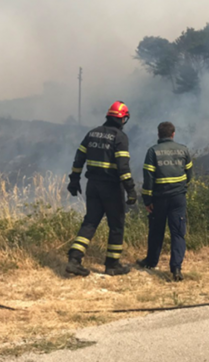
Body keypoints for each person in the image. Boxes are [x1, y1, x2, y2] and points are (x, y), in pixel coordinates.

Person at [65, 101, 137, 277]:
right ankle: (112, 264)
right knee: (116, 225)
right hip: (111, 188)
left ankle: (74, 260)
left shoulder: (92, 133)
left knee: (90, 222)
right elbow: (123, 166)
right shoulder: (120, 137)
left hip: (93, 186)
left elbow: (79, 157)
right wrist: (131, 189)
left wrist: (74, 180)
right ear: (123, 119)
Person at [137, 122, 193, 282]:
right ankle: (176, 268)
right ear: (173, 134)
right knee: (178, 232)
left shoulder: (152, 151)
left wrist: (147, 199)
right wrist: (182, 188)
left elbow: (148, 178)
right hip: (178, 198)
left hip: (159, 198)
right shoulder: (183, 150)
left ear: (158, 134)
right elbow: (189, 174)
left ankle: (151, 262)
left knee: (156, 231)